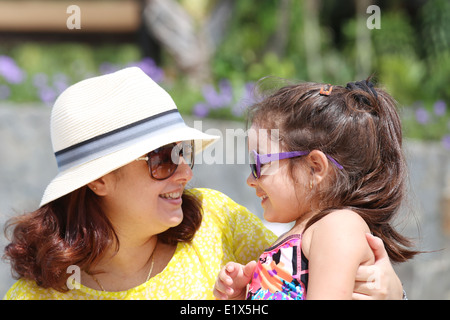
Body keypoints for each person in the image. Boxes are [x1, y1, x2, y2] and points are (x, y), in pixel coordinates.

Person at [3, 68, 402, 299]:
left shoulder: (217, 222)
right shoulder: (34, 295)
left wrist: (392, 293)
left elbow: (302, 284)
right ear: (100, 180)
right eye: (161, 159)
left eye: (182, 152)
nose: (185, 172)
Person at [214, 79, 417, 300]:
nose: (250, 180)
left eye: (259, 164)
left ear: (315, 167)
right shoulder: (316, 231)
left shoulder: (337, 227)